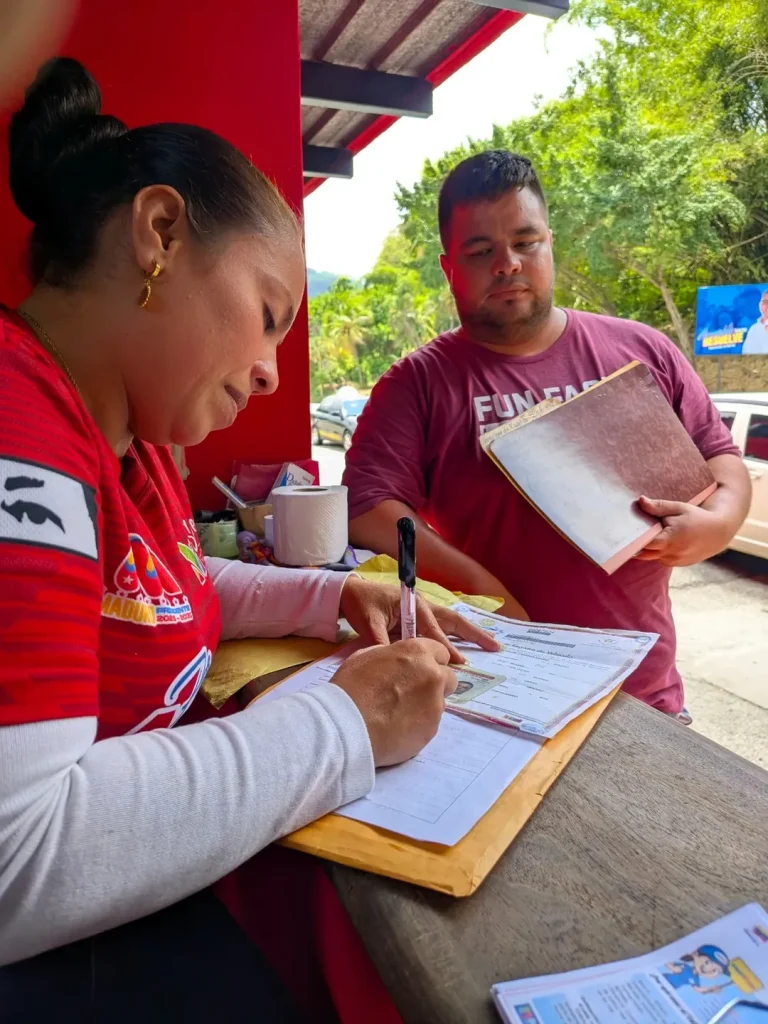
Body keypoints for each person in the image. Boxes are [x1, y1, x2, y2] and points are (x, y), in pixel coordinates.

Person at [0, 59, 500, 1021]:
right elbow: (18, 856)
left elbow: (164, 584)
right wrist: (346, 725)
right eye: (268, 316)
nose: (271, 371)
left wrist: (330, 593)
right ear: (159, 233)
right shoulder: (18, 422)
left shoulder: (133, 442)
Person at [344, 150, 751, 718]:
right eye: (480, 251)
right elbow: (366, 509)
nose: (507, 264)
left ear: (549, 243)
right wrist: (483, 588)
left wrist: (719, 525)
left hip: (645, 693)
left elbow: (721, 457)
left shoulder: (642, 349)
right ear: (448, 267)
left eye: (525, 242)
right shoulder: (417, 383)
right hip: (508, 691)